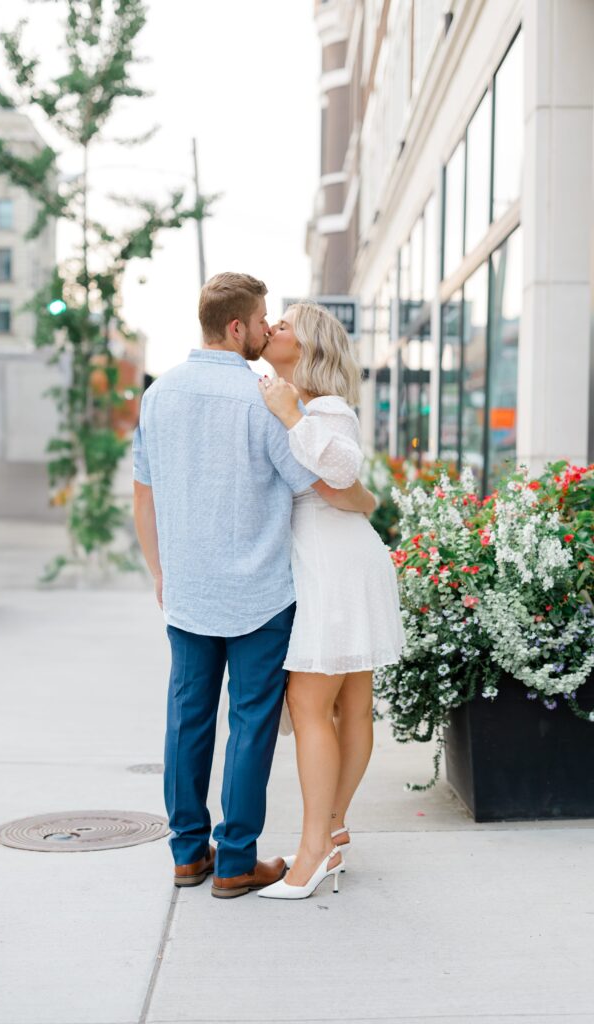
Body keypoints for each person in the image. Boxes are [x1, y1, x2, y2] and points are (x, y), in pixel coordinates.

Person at [132, 273, 375, 899]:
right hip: (262, 594)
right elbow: (319, 487)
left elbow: (144, 492)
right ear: (237, 327)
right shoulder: (263, 398)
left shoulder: (158, 395)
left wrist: (161, 573)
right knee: (250, 724)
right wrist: (369, 501)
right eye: (264, 320)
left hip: (188, 591)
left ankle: (188, 854)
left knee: (187, 722)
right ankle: (236, 861)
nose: (268, 330)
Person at [255, 301, 404, 900]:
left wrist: (292, 414)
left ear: (309, 347)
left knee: (312, 704)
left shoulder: (323, 408)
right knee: (350, 707)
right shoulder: (313, 405)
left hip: (334, 568)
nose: (274, 329)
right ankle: (334, 830)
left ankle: (314, 850)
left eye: (285, 325)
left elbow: (341, 472)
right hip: (341, 559)